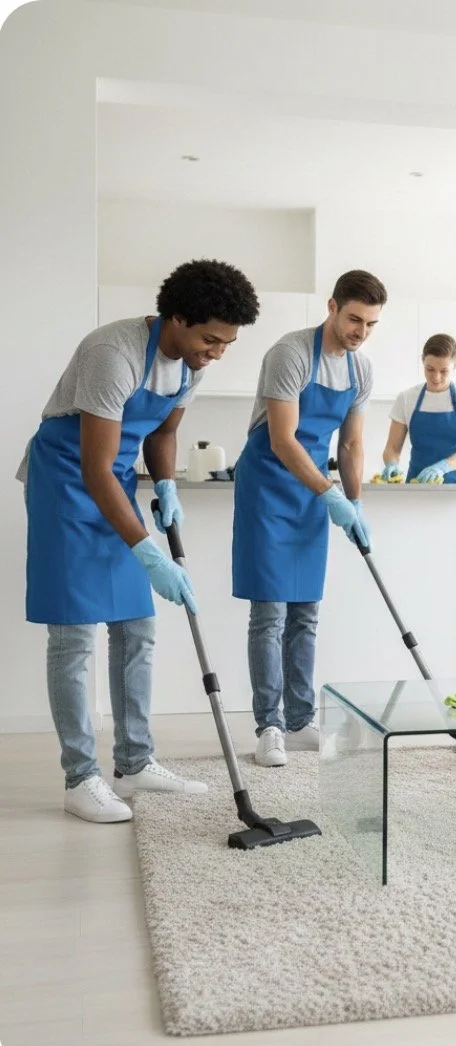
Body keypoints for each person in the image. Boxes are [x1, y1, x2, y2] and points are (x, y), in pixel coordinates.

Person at [17, 259, 260, 821]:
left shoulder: (191, 366)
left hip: (116, 480)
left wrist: (168, 485)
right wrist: (146, 550)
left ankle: (135, 761)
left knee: (137, 628)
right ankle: (81, 778)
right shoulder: (114, 352)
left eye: (226, 343)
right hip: (67, 480)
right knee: (74, 633)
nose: (216, 352)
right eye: (208, 339)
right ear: (175, 317)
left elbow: (164, 431)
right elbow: (94, 468)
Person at [232, 269, 387, 767]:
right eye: (354, 319)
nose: (360, 331)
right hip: (270, 488)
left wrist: (355, 500)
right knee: (270, 613)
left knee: (306, 615)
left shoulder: (361, 371)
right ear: (332, 306)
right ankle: (269, 726)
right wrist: (331, 495)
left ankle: (300, 720)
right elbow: (282, 440)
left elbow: (352, 443)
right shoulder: (291, 353)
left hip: (313, 494)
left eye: (370, 323)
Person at [380, 333, 456, 484]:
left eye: (444, 371)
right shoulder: (406, 398)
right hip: (418, 485)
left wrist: (443, 467)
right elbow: (392, 447)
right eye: (430, 369)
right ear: (422, 361)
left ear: (455, 365)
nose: (436, 377)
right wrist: (391, 464)